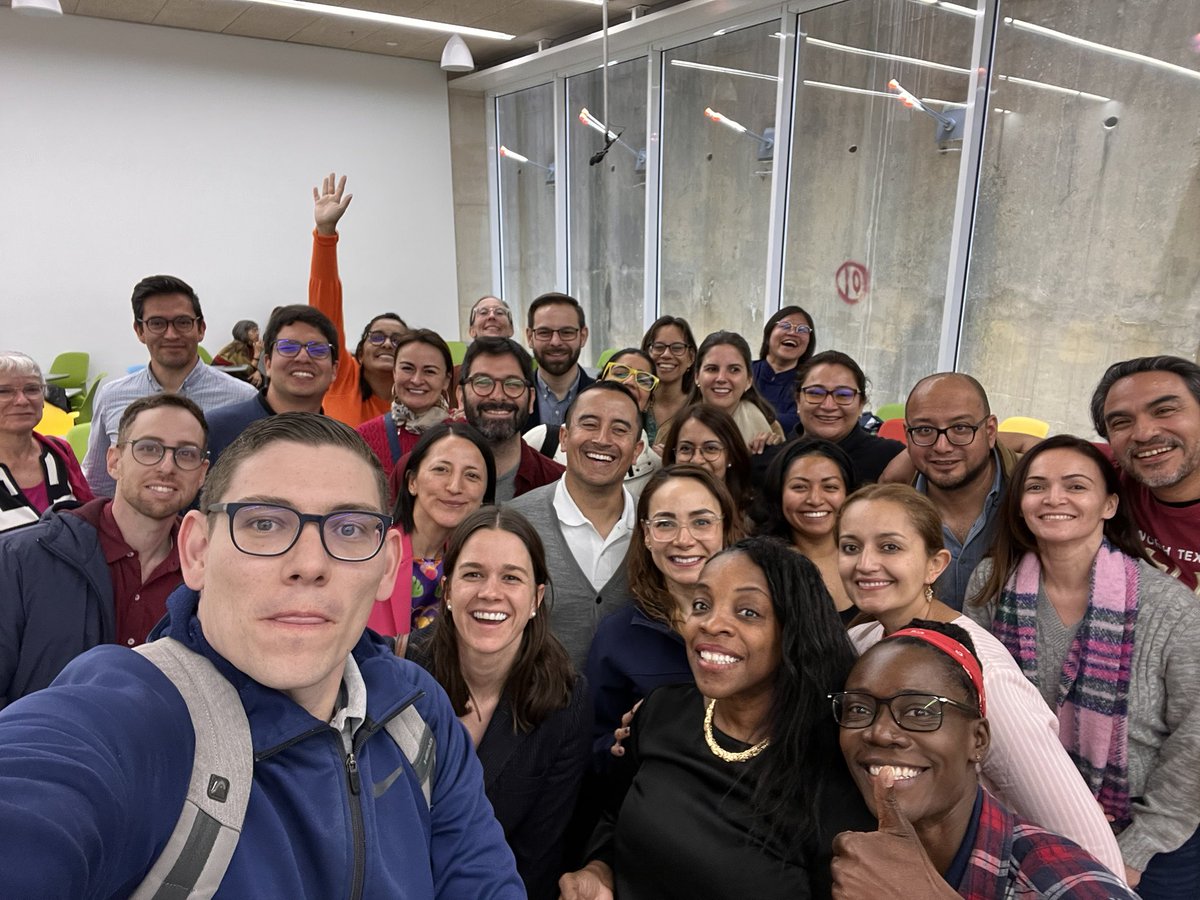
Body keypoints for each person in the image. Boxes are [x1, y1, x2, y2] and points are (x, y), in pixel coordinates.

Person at [0, 412, 524, 897]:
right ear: (197, 551)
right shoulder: (130, 720)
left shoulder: (416, 711)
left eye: (348, 529)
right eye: (264, 523)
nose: (310, 564)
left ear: (388, 566)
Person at [559, 537, 873, 899]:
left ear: (794, 631)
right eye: (701, 604)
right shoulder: (660, 711)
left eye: (748, 612)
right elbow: (613, 818)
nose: (711, 624)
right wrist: (598, 869)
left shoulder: (833, 772)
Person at [837, 483, 1125, 874]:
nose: (865, 563)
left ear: (935, 564)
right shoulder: (860, 640)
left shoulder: (985, 672)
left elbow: (1089, 846)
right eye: (851, 547)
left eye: (890, 547)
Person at [964, 436, 1200, 895]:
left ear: (1109, 504)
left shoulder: (1170, 607)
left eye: (1075, 486)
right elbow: (977, 705)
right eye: (1036, 487)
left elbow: (1194, 738)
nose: (1053, 498)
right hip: (1019, 813)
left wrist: (1138, 848)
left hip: (1147, 833)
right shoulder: (990, 583)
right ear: (1019, 505)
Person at [831, 622, 1138, 900]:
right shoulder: (844, 856)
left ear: (978, 740)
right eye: (858, 709)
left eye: (919, 712)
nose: (880, 733)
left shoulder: (1058, 881)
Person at [405, 506, 589, 900]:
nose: (491, 592)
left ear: (536, 598)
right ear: (447, 590)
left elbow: (537, 857)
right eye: (473, 574)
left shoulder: (566, 701)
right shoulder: (401, 675)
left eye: (511, 577)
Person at [0, 393, 208, 707]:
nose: (167, 466)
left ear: (202, 473)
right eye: (148, 448)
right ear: (114, 461)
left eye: (186, 453)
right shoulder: (21, 559)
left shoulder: (210, 574)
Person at [586, 464, 743, 768]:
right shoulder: (617, 636)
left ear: (725, 528)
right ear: (646, 535)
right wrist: (621, 745)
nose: (683, 539)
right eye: (665, 523)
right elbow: (592, 750)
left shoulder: (765, 623)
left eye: (701, 522)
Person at [83, 274, 256, 495]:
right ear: (140, 331)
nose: (171, 334)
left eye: (183, 322)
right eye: (157, 323)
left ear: (201, 328)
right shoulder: (112, 397)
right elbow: (98, 485)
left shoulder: (243, 399)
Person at [510, 382, 643, 668]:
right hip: (534, 695)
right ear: (564, 437)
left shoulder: (655, 528)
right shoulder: (514, 523)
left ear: (636, 450)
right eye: (590, 424)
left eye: (620, 430)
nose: (603, 439)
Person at [901, 372, 1019, 610]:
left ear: (990, 431)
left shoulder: (1031, 497)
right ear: (908, 436)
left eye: (960, 428)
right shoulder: (891, 507)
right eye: (924, 430)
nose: (942, 446)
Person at [369, 422, 495, 638]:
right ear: (412, 482)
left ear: (484, 495)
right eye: (441, 470)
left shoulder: (480, 564)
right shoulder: (370, 550)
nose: (455, 487)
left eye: (472, 476)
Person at [308, 171, 410, 427]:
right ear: (360, 354)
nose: (387, 344)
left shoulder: (419, 395)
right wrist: (325, 234)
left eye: (397, 340)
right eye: (377, 337)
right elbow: (325, 307)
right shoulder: (342, 376)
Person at [1091, 355, 1200, 593]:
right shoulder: (1105, 470)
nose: (1143, 434)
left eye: (1165, 411)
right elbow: (1026, 447)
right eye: (1121, 422)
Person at [205, 305, 340, 467]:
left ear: (334, 370)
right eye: (288, 347)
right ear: (267, 363)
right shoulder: (215, 430)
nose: (303, 357)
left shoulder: (343, 445)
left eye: (317, 349)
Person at [525, 348, 662, 500]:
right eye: (620, 373)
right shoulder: (543, 439)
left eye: (643, 380)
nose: (630, 382)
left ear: (649, 401)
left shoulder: (656, 468)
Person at [757, 438, 858, 622]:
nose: (815, 500)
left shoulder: (870, 557)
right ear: (778, 493)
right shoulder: (759, 565)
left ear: (848, 494)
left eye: (830, 487)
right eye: (800, 487)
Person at [0, 351, 92, 532]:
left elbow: (89, 514)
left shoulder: (59, 451)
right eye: (4, 391)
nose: (22, 400)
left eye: (32, 389)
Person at [357, 329, 455, 481]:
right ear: (394, 372)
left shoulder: (465, 434)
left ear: (446, 380)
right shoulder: (363, 437)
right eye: (407, 368)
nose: (416, 380)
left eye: (429, 371)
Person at [793, 351, 903, 484]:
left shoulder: (892, 458)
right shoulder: (774, 457)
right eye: (815, 393)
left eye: (843, 395)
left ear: (861, 404)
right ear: (798, 400)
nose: (828, 406)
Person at [692, 330, 784, 452]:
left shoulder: (768, 434)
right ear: (697, 376)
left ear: (749, 380)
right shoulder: (679, 423)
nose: (721, 378)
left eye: (734, 370)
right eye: (712, 369)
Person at [660, 404, 756, 518]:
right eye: (686, 448)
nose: (696, 460)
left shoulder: (755, 517)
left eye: (711, 448)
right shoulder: (656, 509)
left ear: (730, 456)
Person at [524, 291, 595, 439]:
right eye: (544, 332)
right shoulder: (513, 397)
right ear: (530, 337)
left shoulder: (602, 397)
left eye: (566, 332)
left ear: (583, 336)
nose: (555, 342)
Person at [753, 306, 815, 437]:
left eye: (802, 329)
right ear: (769, 333)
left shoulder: (811, 383)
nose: (793, 333)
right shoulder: (743, 372)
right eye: (785, 326)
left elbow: (803, 420)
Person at [641, 315, 697, 447]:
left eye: (677, 348)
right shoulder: (635, 403)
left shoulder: (700, 408)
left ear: (691, 357)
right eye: (658, 347)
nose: (666, 354)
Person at [213, 319, 263, 386]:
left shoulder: (253, 346)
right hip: (224, 382)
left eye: (257, 330)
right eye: (254, 331)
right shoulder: (236, 348)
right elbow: (247, 373)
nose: (257, 333)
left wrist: (258, 372)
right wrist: (257, 356)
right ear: (244, 333)